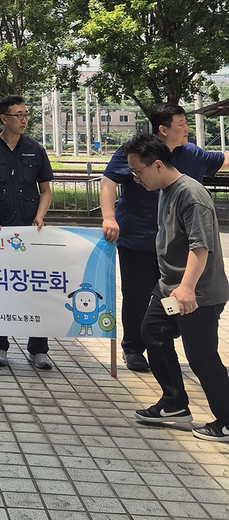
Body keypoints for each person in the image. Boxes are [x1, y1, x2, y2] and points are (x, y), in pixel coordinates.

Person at [101, 103, 229, 372]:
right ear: (163, 129)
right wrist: (109, 217)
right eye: (181, 124)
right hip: (138, 239)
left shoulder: (191, 155)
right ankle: (134, 348)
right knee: (137, 296)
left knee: (174, 297)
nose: (187, 129)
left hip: (176, 246)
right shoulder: (136, 153)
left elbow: (224, 159)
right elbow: (109, 181)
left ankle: (163, 341)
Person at [122, 134, 229, 443]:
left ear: (157, 165)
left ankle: (226, 419)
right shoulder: (164, 190)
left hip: (197, 292)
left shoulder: (191, 195)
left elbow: (201, 247)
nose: (135, 178)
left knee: (202, 357)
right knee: (152, 333)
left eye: (138, 172)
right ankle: (174, 404)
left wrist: (186, 289)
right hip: (168, 286)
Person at [0, 95, 54, 370]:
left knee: (35, 288)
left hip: (31, 232)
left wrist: (40, 216)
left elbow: (46, 191)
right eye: (19, 115)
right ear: (4, 118)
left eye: (26, 114)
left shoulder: (35, 149)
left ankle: (39, 349)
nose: (24, 119)